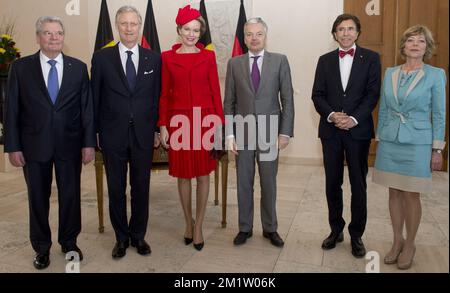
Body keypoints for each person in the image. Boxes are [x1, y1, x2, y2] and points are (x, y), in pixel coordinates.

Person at [4, 16, 95, 269]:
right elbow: (11, 110)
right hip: (33, 146)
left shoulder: (78, 68)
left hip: (70, 145)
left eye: (58, 33)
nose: (54, 37)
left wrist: (88, 144)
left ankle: (69, 242)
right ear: (38, 37)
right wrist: (12, 146)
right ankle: (41, 247)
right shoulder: (21, 68)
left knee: (70, 196)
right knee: (37, 198)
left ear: (63, 37)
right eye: (47, 33)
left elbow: (87, 109)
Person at [373, 25, 446, 270]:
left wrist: (437, 149)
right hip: (391, 140)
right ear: (403, 46)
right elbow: (383, 108)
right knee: (393, 192)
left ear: (427, 47)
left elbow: (439, 113)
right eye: (411, 41)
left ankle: (411, 243)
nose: (415, 45)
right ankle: (397, 240)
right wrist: (380, 137)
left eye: (421, 41)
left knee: (411, 194)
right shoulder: (390, 72)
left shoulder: (436, 74)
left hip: (418, 142)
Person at [91, 5, 161, 259]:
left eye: (133, 24)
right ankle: (121, 238)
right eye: (124, 24)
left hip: (143, 134)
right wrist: (95, 132)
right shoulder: (101, 58)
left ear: (139, 26)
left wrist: (155, 129)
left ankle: (138, 236)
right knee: (116, 188)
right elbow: (94, 98)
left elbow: (156, 98)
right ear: (117, 25)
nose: (129, 28)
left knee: (141, 186)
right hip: (112, 134)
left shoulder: (153, 58)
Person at [311, 14, 381, 258]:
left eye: (350, 29)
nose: (346, 33)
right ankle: (335, 229)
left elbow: (372, 94)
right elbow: (317, 94)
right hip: (330, 132)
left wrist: (352, 118)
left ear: (358, 32)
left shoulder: (371, 58)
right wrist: (332, 115)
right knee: (332, 183)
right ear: (334, 34)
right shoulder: (324, 60)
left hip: (358, 131)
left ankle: (357, 234)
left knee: (358, 184)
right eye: (341, 29)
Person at [224, 17, 294, 248]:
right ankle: (244, 228)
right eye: (249, 34)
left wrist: (284, 133)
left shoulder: (280, 61)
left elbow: (287, 99)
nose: (254, 38)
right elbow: (229, 102)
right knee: (244, 182)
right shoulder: (234, 63)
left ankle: (270, 228)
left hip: (269, 132)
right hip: (242, 132)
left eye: (258, 34)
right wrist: (230, 135)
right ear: (244, 38)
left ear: (265, 36)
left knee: (268, 182)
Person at [158, 5, 224, 251]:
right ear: (179, 29)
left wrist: (219, 125)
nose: (191, 34)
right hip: (178, 123)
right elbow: (163, 94)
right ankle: (188, 222)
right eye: (187, 29)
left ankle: (199, 226)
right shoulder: (167, 57)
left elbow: (215, 92)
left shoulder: (208, 55)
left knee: (203, 174)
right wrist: (163, 125)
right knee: (184, 175)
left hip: (205, 121)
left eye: (196, 30)